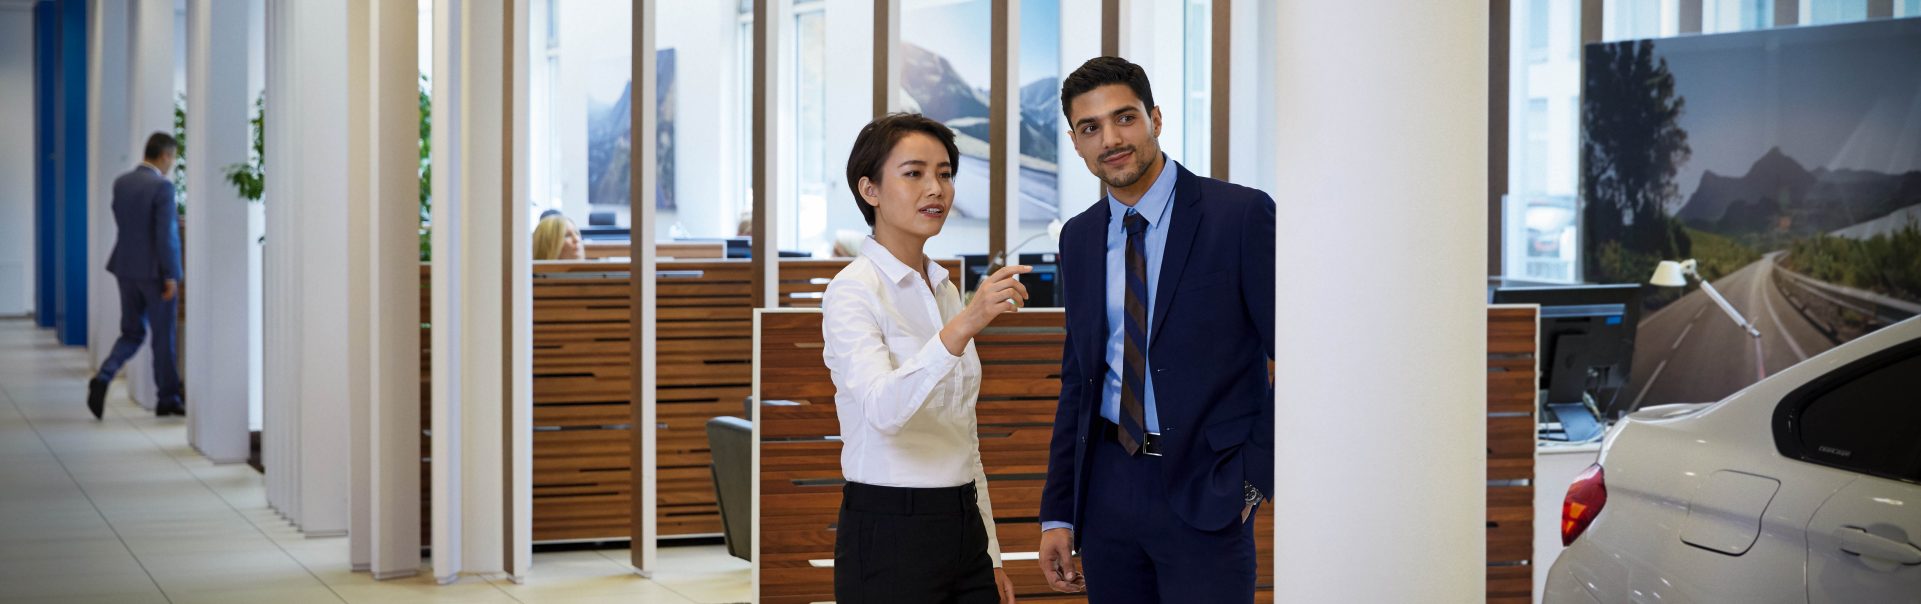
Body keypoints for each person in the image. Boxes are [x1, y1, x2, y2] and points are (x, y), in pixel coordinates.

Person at [1035, 56, 1276, 603]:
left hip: (1209, 488)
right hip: (1108, 492)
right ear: (1076, 143)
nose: (1111, 139)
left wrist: (1251, 481)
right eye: (1090, 128)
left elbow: (1301, 360)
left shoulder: (1240, 216)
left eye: (1125, 118)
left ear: (1156, 118)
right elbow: (1078, 380)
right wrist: (1059, 512)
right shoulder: (1078, 237)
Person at [821, 113, 1028, 604]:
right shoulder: (853, 290)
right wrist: (963, 327)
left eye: (945, 173)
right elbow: (883, 411)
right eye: (914, 173)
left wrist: (991, 552)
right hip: (890, 528)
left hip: (963, 526)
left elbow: (963, 433)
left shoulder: (944, 288)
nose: (935, 188)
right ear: (870, 190)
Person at [88, 132, 188, 419]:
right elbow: (166, 236)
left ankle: (104, 376)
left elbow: (125, 223)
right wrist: (171, 275)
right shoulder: (162, 187)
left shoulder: (122, 183)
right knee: (163, 337)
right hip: (155, 274)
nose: (172, 164)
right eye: (173, 158)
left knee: (131, 332)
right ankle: (167, 398)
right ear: (165, 155)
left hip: (125, 268)